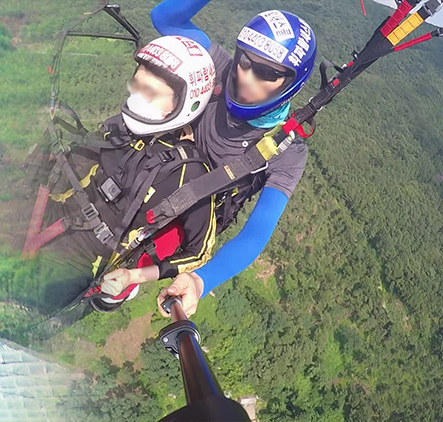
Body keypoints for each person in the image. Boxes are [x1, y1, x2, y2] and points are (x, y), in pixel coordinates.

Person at [26, 35, 218, 316]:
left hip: (90, 252)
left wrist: (136, 276)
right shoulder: (121, 126)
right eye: (137, 85)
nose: (139, 98)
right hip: (60, 209)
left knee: (32, 302)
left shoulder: (188, 173)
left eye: (151, 93)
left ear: (185, 103)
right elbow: (82, 158)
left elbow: (198, 249)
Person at [150, 1, 318, 316]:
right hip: (160, 167)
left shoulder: (287, 150)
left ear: (292, 81)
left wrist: (202, 281)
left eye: (267, 72)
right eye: (246, 61)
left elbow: (257, 231)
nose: (247, 78)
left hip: (189, 214)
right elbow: (164, 18)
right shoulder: (222, 67)